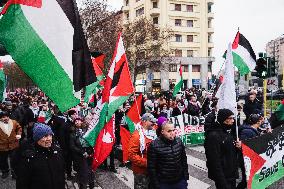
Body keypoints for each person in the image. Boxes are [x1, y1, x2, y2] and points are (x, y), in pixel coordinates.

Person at [16, 123, 65, 189]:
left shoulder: (57, 151)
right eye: (45, 136)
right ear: (37, 139)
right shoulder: (29, 158)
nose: (49, 139)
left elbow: (61, 173)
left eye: (50, 135)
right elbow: (22, 182)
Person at [204, 109, 239, 189]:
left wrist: (238, 147)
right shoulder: (213, 136)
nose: (233, 121)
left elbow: (229, 151)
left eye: (233, 118)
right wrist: (222, 182)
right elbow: (214, 162)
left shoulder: (227, 131)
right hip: (223, 177)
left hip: (231, 174)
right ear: (223, 119)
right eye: (230, 118)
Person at [148, 122, 189, 189]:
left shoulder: (179, 141)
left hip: (180, 180)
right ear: (162, 132)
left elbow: (183, 159)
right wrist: (156, 185)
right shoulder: (154, 145)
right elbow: (151, 168)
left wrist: (185, 177)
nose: (172, 133)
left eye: (173, 130)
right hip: (164, 183)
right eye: (169, 131)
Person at [128, 113, 157, 189]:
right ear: (144, 121)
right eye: (151, 121)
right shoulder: (136, 136)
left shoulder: (153, 133)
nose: (153, 123)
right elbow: (131, 155)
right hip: (141, 172)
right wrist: (147, 163)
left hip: (152, 170)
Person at [237, 114, 263, 189]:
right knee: (246, 181)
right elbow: (244, 146)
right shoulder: (247, 131)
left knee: (250, 180)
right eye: (261, 120)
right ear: (258, 122)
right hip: (246, 160)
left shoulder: (254, 130)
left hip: (251, 159)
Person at [70, 118, 95, 189]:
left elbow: (91, 141)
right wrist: (82, 152)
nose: (77, 122)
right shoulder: (73, 133)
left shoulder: (87, 130)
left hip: (89, 153)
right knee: (82, 171)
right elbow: (72, 146)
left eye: (78, 120)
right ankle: (82, 185)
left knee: (90, 170)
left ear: (81, 121)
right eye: (75, 121)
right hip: (80, 155)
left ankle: (91, 184)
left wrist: (89, 152)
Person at [0, 111, 22, 179]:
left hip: (14, 145)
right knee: (3, 160)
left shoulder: (14, 122)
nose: (6, 118)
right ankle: (5, 171)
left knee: (14, 159)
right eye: (3, 117)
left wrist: (18, 134)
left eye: (7, 116)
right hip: (2, 146)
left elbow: (19, 128)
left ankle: (14, 172)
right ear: (0, 118)